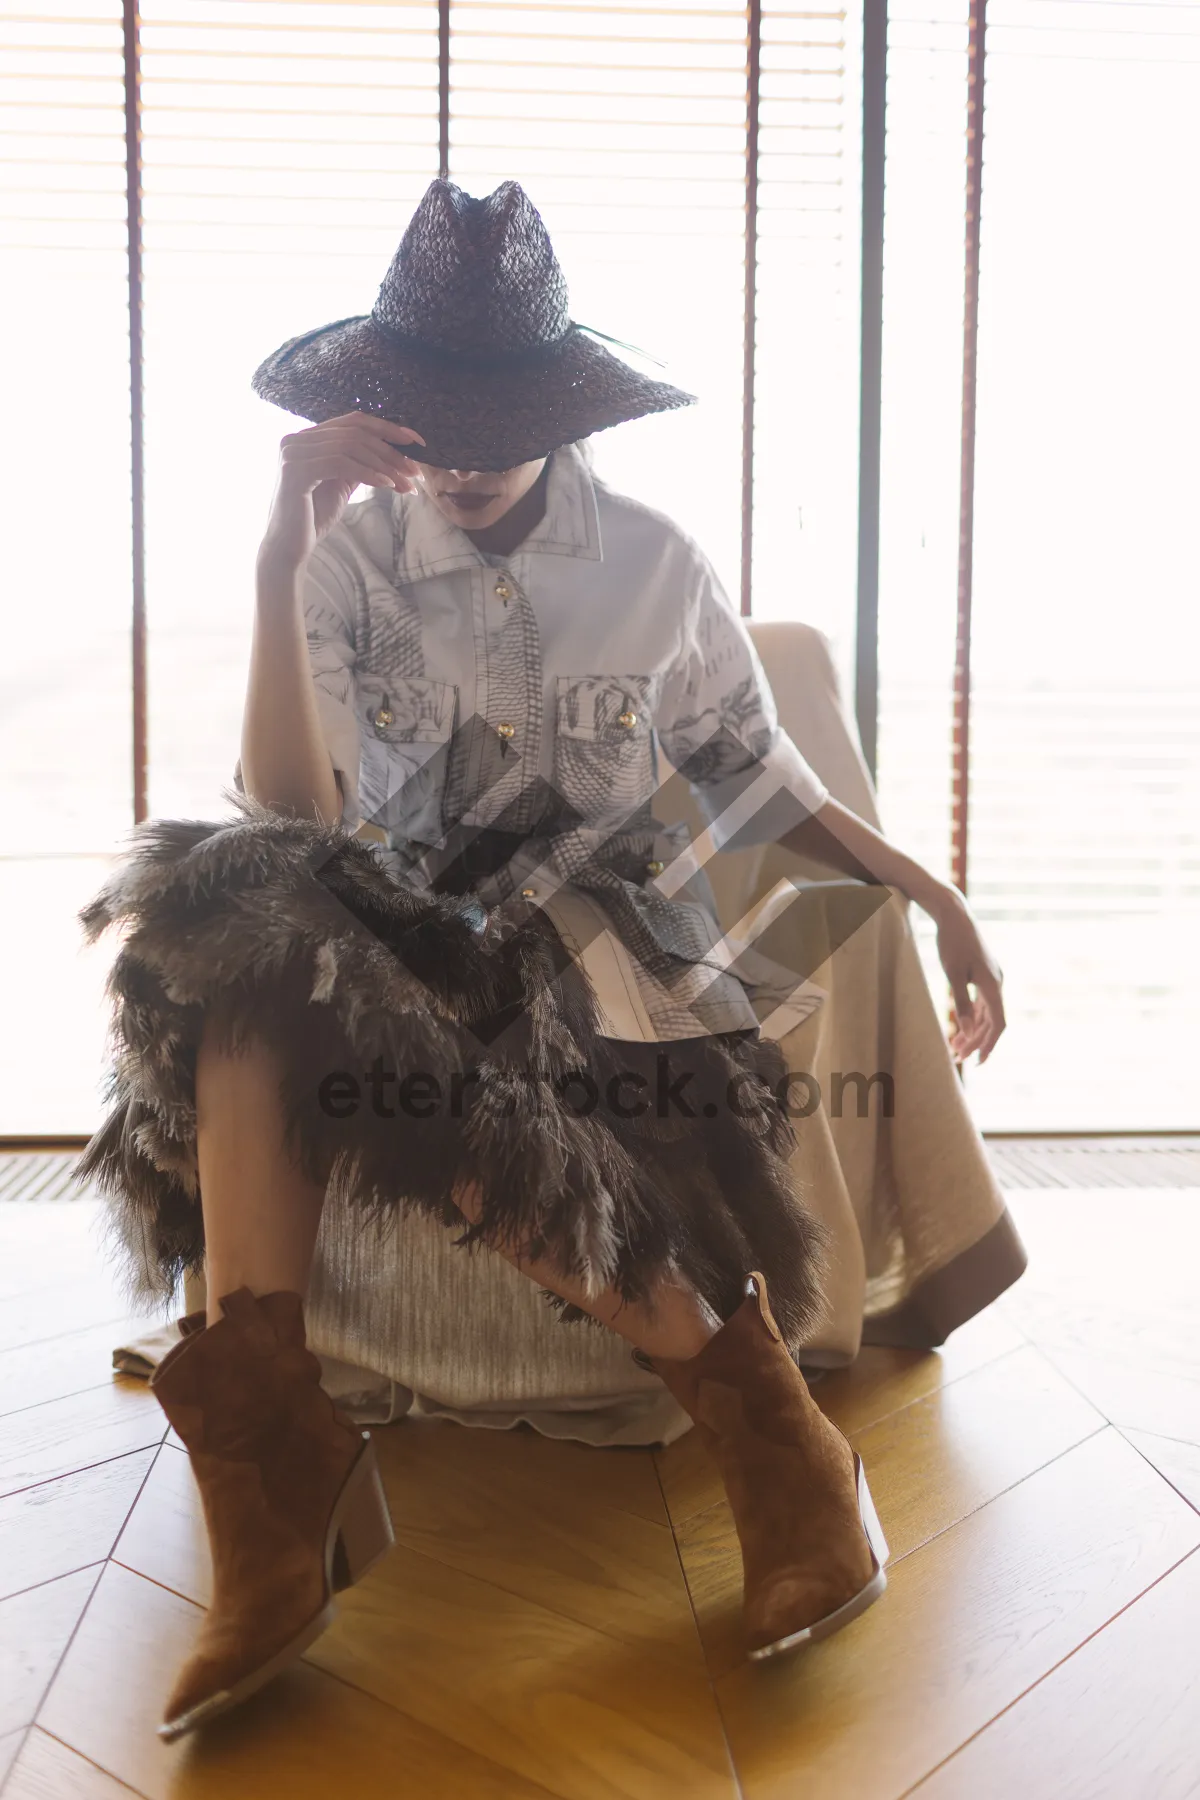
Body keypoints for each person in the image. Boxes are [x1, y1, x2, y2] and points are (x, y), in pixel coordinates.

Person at [76, 179, 1010, 1743]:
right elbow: (290, 823)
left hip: (600, 954)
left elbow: (763, 780)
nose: (444, 455)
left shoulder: (651, 560)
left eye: (481, 419)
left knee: (359, 1000)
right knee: (247, 924)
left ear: (557, 406)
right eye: (416, 417)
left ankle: (772, 1439)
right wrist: (275, 550)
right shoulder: (347, 562)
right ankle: (265, 1475)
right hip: (378, 937)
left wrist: (933, 895)